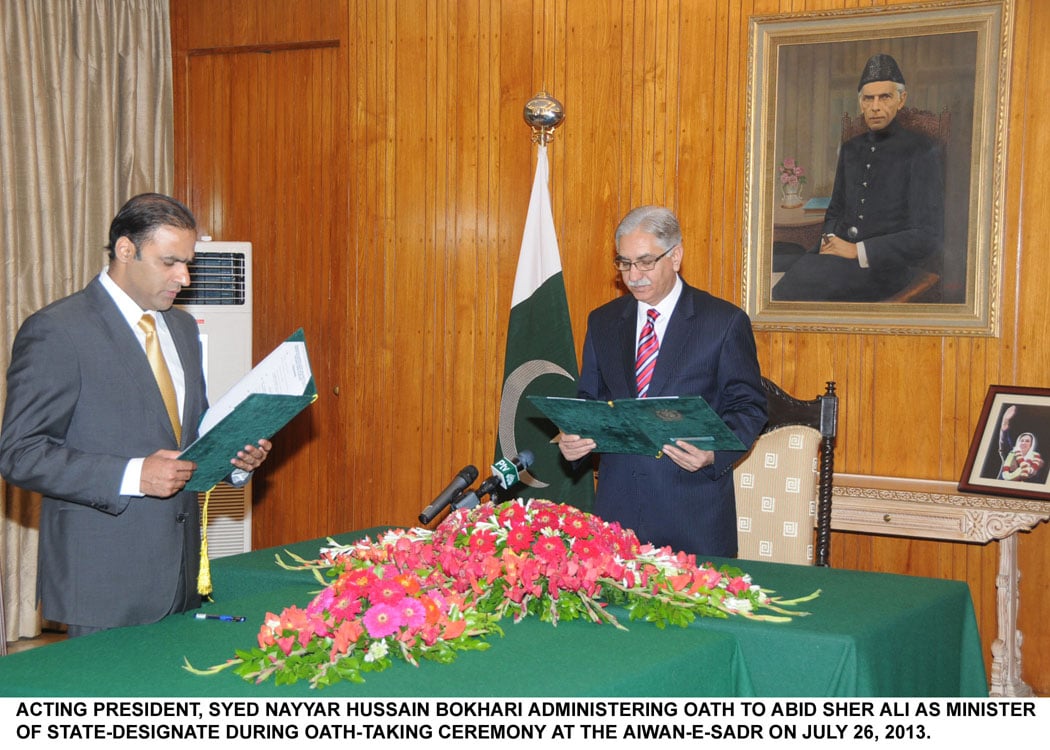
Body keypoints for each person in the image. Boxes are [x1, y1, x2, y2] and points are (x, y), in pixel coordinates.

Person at [0, 193, 272, 637]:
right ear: (126, 251)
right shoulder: (58, 330)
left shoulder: (181, 328)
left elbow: (191, 436)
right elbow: (20, 453)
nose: (184, 278)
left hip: (181, 577)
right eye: (170, 263)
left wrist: (234, 459)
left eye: (188, 263)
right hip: (103, 580)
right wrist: (133, 475)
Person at [558, 206, 767, 557]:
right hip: (616, 512)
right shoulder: (603, 322)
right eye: (624, 263)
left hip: (691, 511)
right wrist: (574, 440)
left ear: (676, 256)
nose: (634, 275)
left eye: (645, 262)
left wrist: (713, 453)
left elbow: (749, 407)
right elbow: (590, 400)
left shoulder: (723, 322)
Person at [772, 53, 944, 301]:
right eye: (868, 98)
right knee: (784, 289)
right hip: (839, 256)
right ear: (860, 103)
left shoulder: (921, 150)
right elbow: (836, 208)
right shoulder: (851, 148)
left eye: (884, 97)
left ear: (901, 99)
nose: (875, 106)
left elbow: (927, 235)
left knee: (797, 290)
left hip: (885, 268)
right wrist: (830, 241)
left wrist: (858, 251)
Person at [997, 406, 1045, 482]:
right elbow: (1004, 441)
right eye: (1021, 440)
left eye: (1027, 441)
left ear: (1031, 445)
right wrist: (1005, 423)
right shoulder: (1010, 453)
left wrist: (1031, 471)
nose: (1023, 442)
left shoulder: (1036, 461)